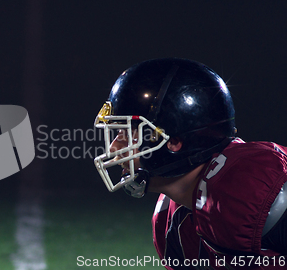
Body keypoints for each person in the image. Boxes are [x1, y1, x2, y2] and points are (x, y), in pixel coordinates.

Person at [93, 58, 287, 269]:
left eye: (126, 134)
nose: (113, 148)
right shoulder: (169, 221)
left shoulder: (248, 185)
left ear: (174, 141)